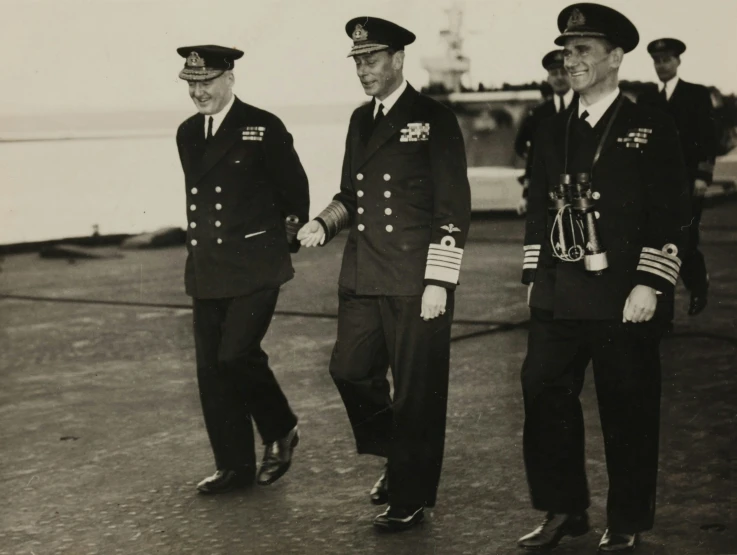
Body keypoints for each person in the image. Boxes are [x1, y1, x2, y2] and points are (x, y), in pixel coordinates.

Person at [517, 4, 691, 551]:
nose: (571, 61)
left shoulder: (651, 125)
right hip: (560, 292)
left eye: (583, 51)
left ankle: (628, 521)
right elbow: (536, 209)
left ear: (616, 57)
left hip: (624, 295)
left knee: (628, 407)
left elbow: (673, 212)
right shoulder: (550, 129)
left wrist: (653, 282)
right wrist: (533, 274)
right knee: (541, 391)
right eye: (567, 51)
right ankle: (564, 509)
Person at [297, 16, 471, 532]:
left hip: (417, 279)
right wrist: (322, 225)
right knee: (348, 370)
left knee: (417, 391)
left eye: (371, 60)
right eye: (357, 61)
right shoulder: (359, 120)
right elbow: (351, 195)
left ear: (397, 59)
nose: (363, 70)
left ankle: (410, 493)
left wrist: (440, 279)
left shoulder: (434, 117)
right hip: (363, 271)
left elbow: (453, 206)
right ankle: (400, 456)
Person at [175, 44, 309, 494]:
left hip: (256, 264)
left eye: (206, 82)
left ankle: (281, 426)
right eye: (192, 84)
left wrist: (286, 238)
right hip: (209, 266)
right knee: (212, 370)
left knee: (236, 354)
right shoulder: (187, 133)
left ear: (230, 78)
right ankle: (234, 466)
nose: (199, 92)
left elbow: (295, 188)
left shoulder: (263, 126)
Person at [638, 38, 717, 316]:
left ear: (678, 61)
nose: (662, 66)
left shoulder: (696, 95)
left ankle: (698, 284)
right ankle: (663, 311)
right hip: (655, 184)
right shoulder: (647, 98)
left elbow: (709, 139)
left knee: (685, 238)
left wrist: (703, 177)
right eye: (657, 61)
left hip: (688, 182)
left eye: (667, 60)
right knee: (658, 242)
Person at [514, 50, 575, 215]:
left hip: (579, 192)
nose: (559, 77)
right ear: (548, 79)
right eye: (554, 73)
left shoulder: (585, 106)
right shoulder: (539, 114)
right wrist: (526, 195)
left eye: (564, 72)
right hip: (549, 193)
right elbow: (533, 157)